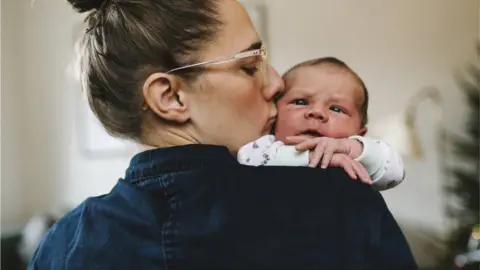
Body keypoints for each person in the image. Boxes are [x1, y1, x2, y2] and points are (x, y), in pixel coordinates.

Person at [28, 0, 418, 269]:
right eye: (250, 65)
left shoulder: (64, 246)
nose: (278, 81)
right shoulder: (340, 200)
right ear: (170, 96)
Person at [238, 57, 405, 191]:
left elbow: (394, 173)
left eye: (337, 109)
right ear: (275, 113)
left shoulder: (357, 156)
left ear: (359, 134)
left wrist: (350, 148)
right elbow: (246, 160)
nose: (317, 112)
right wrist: (310, 158)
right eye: (301, 101)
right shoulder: (267, 147)